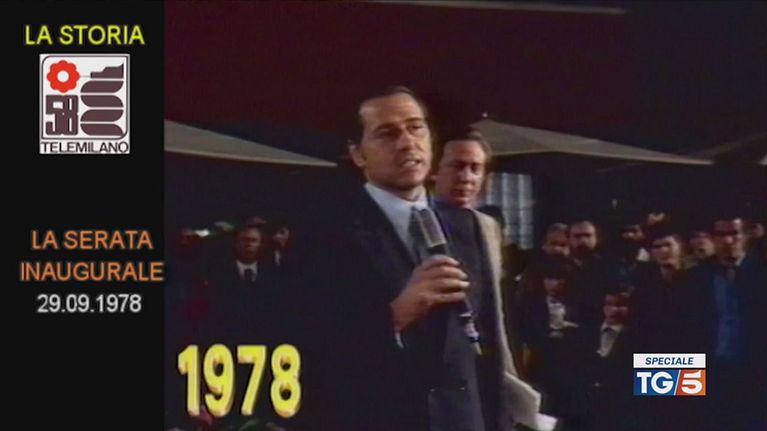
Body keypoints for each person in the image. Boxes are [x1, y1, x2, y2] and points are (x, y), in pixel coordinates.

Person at [295, 87, 552, 431]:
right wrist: (396, 315)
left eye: (416, 128)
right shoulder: (324, 235)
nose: (407, 143)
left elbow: (489, 349)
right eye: (388, 134)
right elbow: (310, 350)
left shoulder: (467, 227)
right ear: (358, 154)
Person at [685, 215, 767, 431]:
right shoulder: (694, 278)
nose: (728, 241)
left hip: (756, 373)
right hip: (708, 371)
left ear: (746, 236)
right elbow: (682, 330)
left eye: (734, 234)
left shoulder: (762, 273)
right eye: (721, 235)